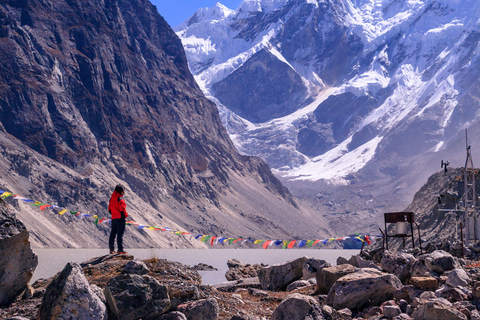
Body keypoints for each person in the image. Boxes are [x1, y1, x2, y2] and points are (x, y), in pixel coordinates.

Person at [108, 184, 129, 254]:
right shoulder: (120, 199)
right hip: (120, 218)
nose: (124, 193)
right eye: (123, 191)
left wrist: (114, 215)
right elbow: (122, 209)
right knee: (120, 234)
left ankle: (111, 249)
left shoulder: (112, 199)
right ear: (121, 192)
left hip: (114, 218)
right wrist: (125, 215)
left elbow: (109, 209)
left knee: (113, 234)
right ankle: (120, 249)